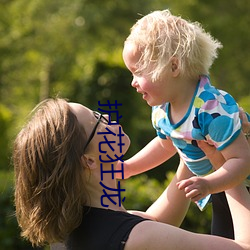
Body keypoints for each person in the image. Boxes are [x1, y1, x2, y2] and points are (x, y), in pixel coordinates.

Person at [13, 98, 250, 250]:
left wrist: (189, 138)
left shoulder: (76, 232)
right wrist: (226, 165)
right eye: (98, 120)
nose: (109, 118)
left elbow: (156, 221)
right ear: (88, 160)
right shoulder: (137, 238)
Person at [121, 9, 250, 238]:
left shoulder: (210, 109)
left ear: (173, 67)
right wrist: (130, 167)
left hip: (239, 184)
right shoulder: (162, 110)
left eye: (138, 72)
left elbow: (242, 160)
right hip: (221, 188)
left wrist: (209, 184)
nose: (133, 82)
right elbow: (165, 145)